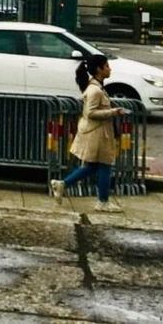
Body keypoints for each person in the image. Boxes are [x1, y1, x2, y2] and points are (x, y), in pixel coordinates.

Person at [51, 53, 128, 212]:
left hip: (98, 132)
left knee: (92, 166)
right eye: (106, 66)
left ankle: (62, 184)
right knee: (105, 165)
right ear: (99, 69)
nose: (109, 69)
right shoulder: (95, 90)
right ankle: (103, 202)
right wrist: (114, 111)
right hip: (98, 134)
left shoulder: (96, 87)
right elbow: (90, 113)